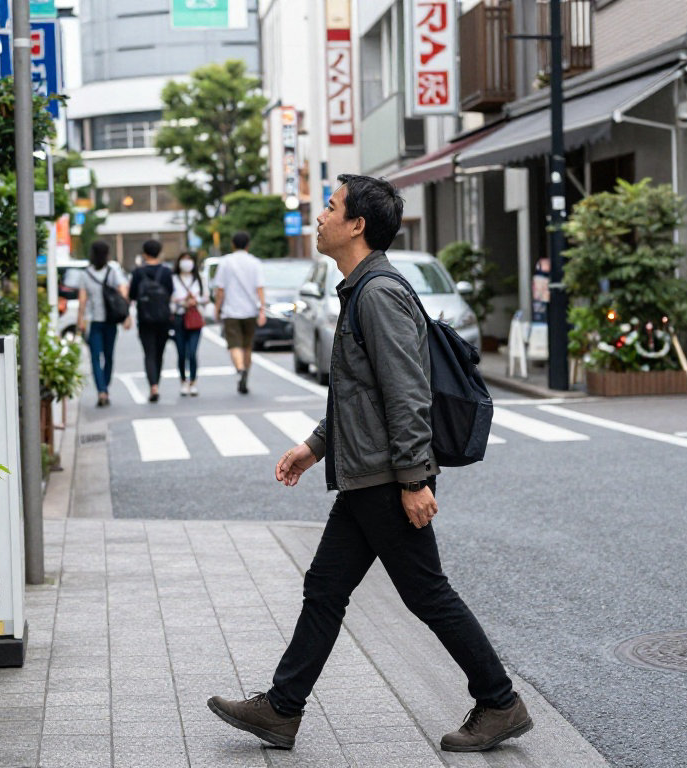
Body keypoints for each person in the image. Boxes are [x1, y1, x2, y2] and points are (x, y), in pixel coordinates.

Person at [207, 176, 531, 753]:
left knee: (426, 593)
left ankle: (500, 701)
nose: (320, 217)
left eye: (331, 208)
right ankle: (282, 709)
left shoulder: (377, 293)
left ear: (356, 225)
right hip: (369, 474)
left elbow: (406, 393)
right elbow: (361, 396)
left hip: (385, 477)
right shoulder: (361, 289)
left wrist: (414, 478)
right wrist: (315, 446)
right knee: (326, 588)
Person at [76, 240, 130, 407]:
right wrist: (127, 315)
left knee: (95, 357)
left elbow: (82, 300)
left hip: (94, 321)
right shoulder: (112, 271)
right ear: (107, 254)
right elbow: (123, 291)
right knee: (108, 356)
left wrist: (80, 320)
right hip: (110, 321)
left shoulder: (86, 274)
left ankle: (101, 390)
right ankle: (105, 388)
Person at [210, 231, 265, 394]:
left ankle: (240, 369)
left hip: (231, 311)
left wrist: (216, 308)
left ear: (233, 244)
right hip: (250, 311)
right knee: (247, 346)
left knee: (234, 345)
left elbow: (220, 290)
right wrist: (262, 310)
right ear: (248, 245)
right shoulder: (255, 262)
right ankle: (245, 372)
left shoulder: (225, 262)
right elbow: (260, 288)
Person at [127, 239, 174, 403]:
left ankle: (153, 385)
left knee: (149, 353)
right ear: (159, 252)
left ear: (144, 253)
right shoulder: (166, 272)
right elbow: (170, 292)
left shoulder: (138, 273)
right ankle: (156, 383)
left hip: (145, 318)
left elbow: (132, 295)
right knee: (160, 353)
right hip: (163, 318)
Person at [171, 251, 209, 397]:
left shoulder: (199, 278)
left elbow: (206, 297)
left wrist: (195, 300)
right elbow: (169, 298)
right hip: (179, 317)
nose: (187, 262)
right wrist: (182, 301)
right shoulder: (173, 279)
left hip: (194, 317)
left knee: (192, 352)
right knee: (181, 352)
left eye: (189, 259)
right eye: (184, 259)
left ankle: (193, 381)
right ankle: (183, 381)